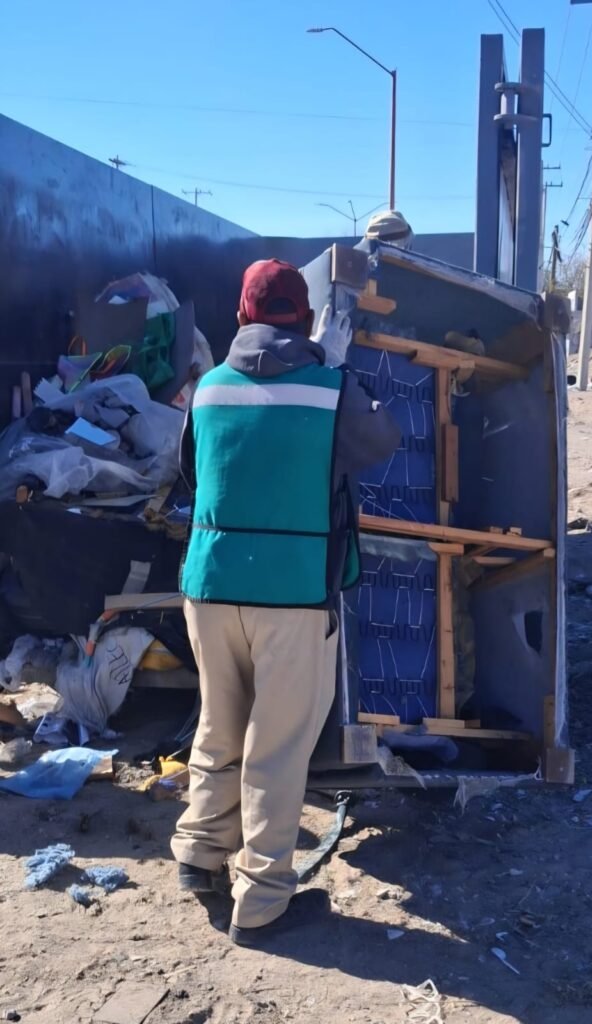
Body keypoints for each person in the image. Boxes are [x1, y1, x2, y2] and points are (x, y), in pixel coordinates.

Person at [171, 258, 400, 947]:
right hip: (294, 593)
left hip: (210, 586)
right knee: (275, 748)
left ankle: (198, 854)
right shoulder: (332, 389)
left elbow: (192, 472)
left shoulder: (208, 388)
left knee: (218, 724)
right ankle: (263, 902)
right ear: (302, 318)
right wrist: (334, 368)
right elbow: (382, 441)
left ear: (241, 316)